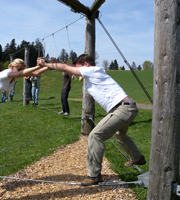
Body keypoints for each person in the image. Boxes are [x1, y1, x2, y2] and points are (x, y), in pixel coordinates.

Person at [37, 54, 146, 186]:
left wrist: (46, 64)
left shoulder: (93, 70)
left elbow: (67, 68)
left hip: (122, 109)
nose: (76, 73)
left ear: (86, 65)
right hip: (128, 108)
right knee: (119, 134)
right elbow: (68, 67)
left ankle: (94, 175)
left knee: (95, 136)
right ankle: (137, 158)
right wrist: (55, 63)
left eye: (78, 68)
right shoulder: (92, 72)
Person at [0, 58, 49, 163]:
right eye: (19, 69)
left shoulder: (16, 76)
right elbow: (27, 72)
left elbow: (36, 73)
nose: (21, 71)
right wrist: (39, 65)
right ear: (12, 67)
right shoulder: (7, 73)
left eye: (22, 69)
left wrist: (48, 65)